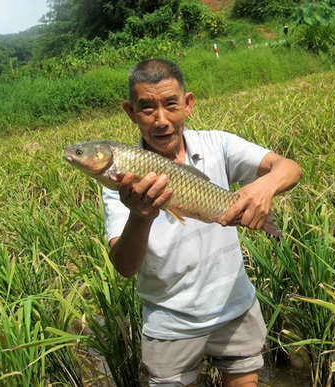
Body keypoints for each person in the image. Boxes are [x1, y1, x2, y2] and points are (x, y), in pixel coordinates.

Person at [102, 59, 302, 387]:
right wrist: (141, 216)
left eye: (171, 105)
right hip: (169, 324)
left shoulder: (217, 144)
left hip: (234, 307)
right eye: (147, 108)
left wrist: (264, 186)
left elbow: (289, 168)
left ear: (188, 103)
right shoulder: (120, 180)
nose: (162, 120)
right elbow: (124, 266)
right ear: (131, 111)